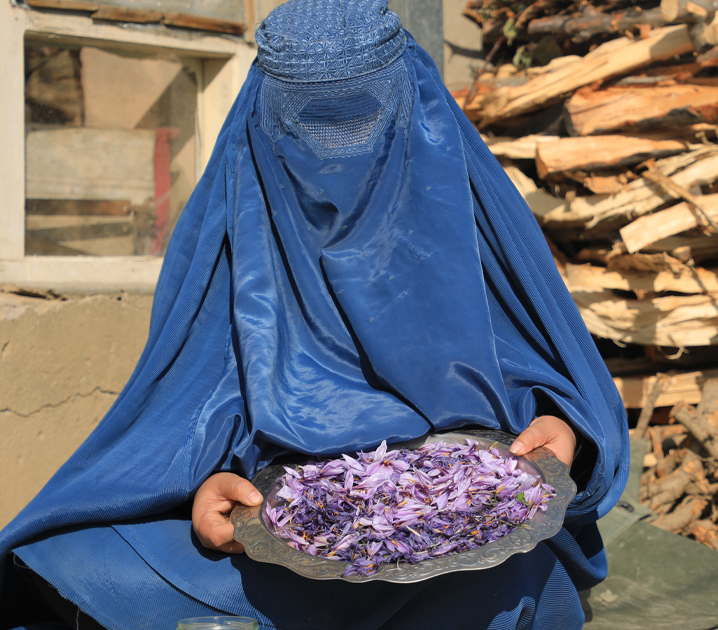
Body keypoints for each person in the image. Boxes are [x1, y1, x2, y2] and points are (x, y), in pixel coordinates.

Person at [0, 1, 629, 628]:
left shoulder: (461, 198)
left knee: (499, 586)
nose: (335, 165)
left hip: (465, 540)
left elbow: (553, 371)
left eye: (362, 124)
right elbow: (188, 405)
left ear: (412, 104)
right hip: (282, 531)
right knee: (78, 562)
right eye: (308, 131)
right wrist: (213, 490)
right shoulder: (236, 211)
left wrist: (561, 432)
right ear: (264, 116)